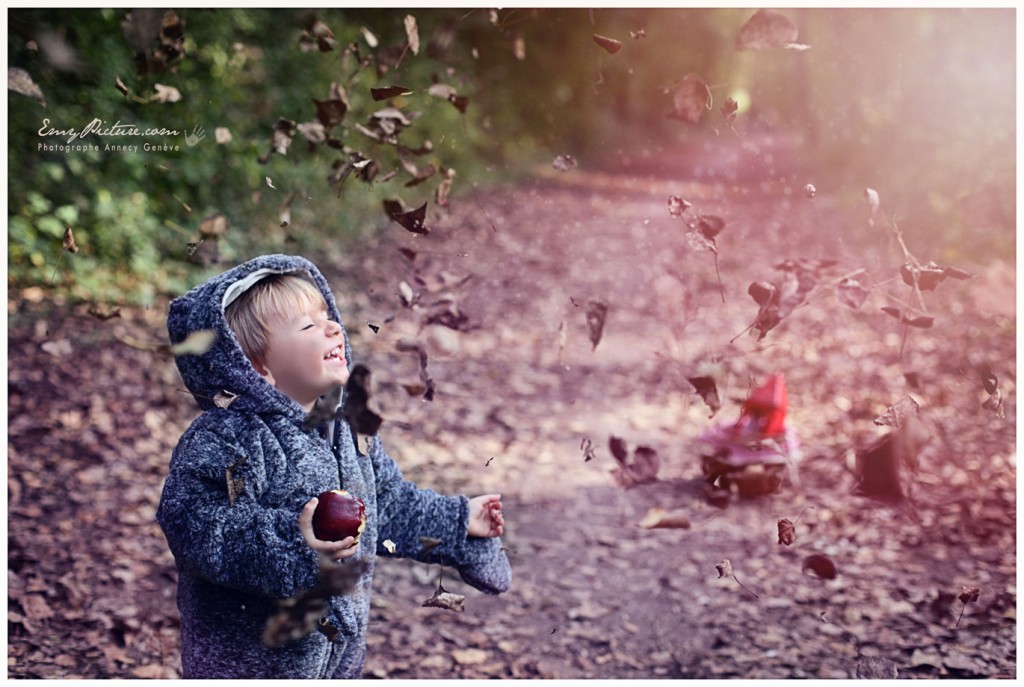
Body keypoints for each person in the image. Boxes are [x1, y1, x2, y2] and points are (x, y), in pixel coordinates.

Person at [156, 254, 511, 678]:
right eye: (308, 326)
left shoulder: (348, 429)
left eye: (327, 316)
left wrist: (458, 522)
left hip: (335, 659)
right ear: (256, 367)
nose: (332, 328)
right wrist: (294, 540)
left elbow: (388, 504)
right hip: (252, 664)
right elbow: (196, 525)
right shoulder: (227, 439)